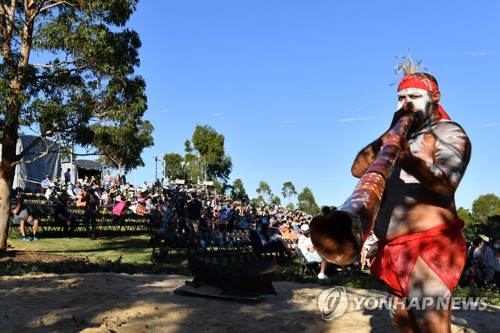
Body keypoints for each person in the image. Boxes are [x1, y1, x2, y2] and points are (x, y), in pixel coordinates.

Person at [350, 57, 471, 332]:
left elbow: (447, 184)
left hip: (430, 248)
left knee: (431, 327)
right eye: (400, 97)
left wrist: (410, 160)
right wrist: (389, 134)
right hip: (394, 250)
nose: (406, 103)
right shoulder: (396, 138)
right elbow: (357, 170)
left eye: (414, 96)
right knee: (402, 325)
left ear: (435, 97)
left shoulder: (448, 132)